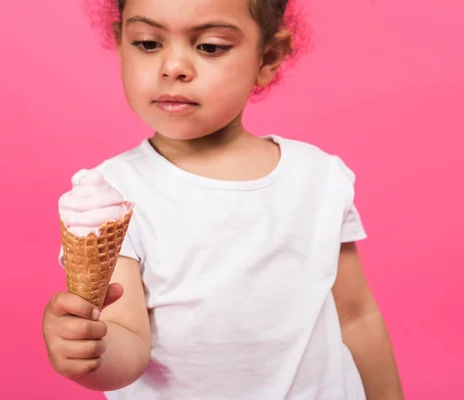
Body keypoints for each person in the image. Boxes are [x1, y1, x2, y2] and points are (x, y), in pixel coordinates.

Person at [42, 0, 404, 398]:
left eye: (210, 46)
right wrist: (92, 349)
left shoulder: (317, 176)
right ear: (120, 42)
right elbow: (127, 342)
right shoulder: (111, 194)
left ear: (267, 58)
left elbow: (355, 318)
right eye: (147, 43)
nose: (173, 67)